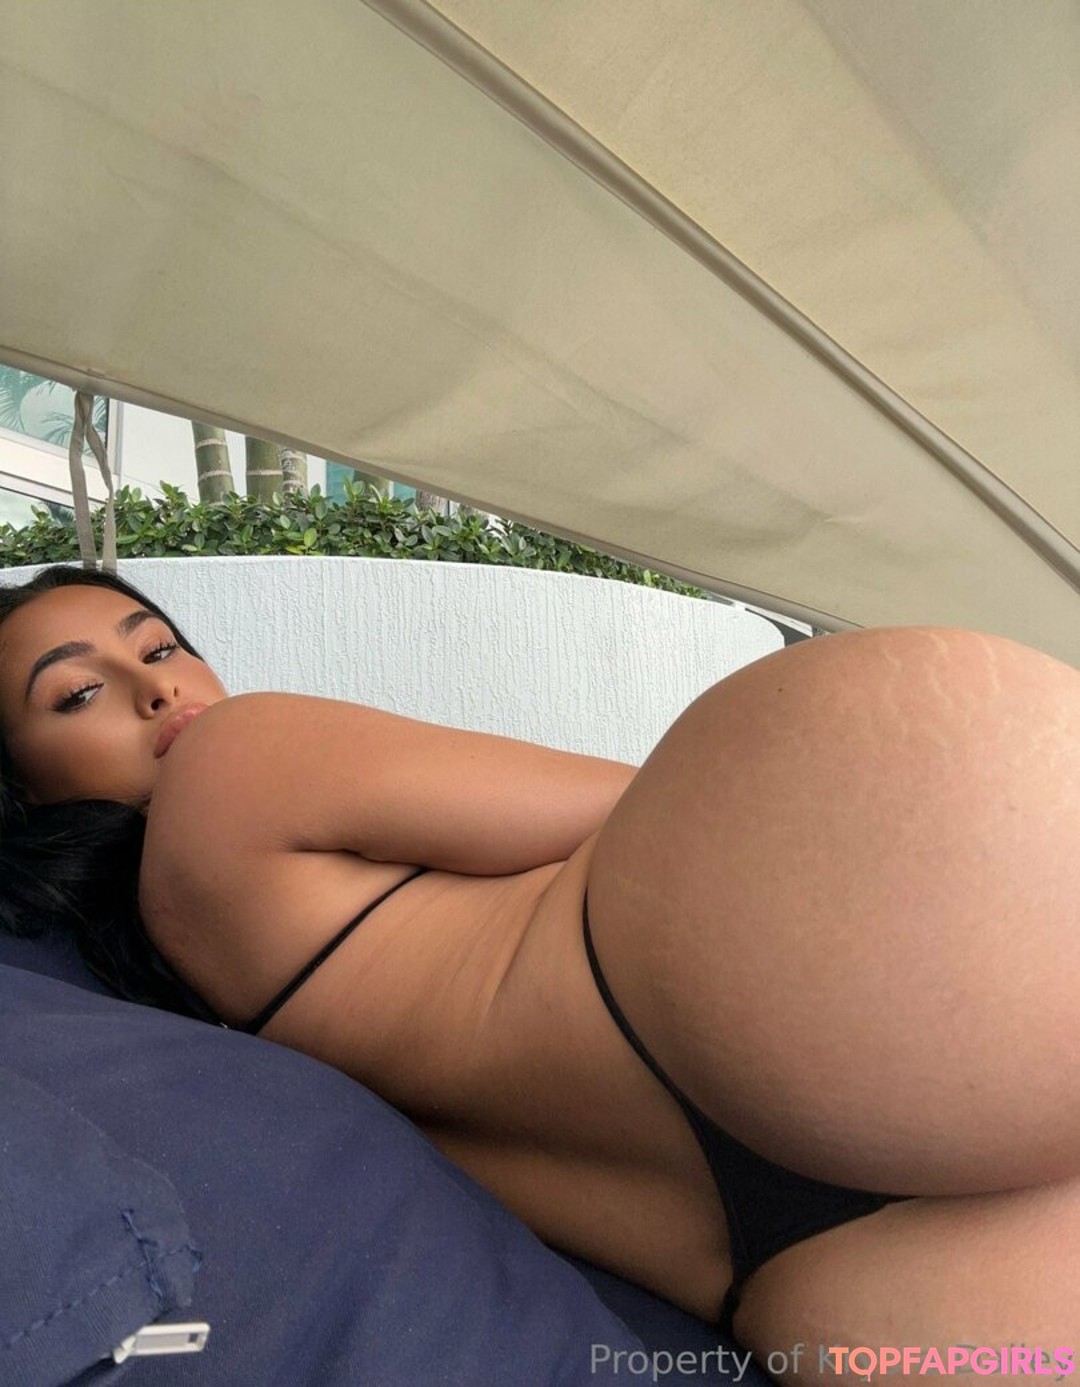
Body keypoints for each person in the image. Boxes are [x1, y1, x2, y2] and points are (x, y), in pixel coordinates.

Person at [0, 562, 1078, 1385]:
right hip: (786, 952)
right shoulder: (237, 759)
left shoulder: (134, 1028)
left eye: (160, 645)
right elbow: (633, 803)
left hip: (800, 1269)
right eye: (78, 693)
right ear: (15, 782)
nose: (156, 688)